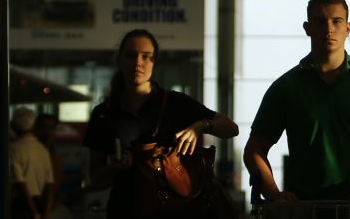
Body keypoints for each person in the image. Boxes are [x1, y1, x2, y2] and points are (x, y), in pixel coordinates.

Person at [243, 0, 350, 203]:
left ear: (348, 28)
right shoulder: (286, 87)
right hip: (304, 210)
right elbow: (254, 150)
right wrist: (274, 194)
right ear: (307, 28)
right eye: (320, 21)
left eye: (337, 21)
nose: (329, 29)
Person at [83, 28, 239, 218]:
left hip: (173, 209)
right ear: (120, 59)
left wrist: (201, 126)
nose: (138, 63)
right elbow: (96, 177)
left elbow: (231, 128)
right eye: (131, 55)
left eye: (146, 56)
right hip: (125, 209)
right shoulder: (104, 113)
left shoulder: (174, 103)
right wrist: (116, 168)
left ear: (154, 62)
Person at [10, 106, 55, 219]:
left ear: (13, 126)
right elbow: (50, 185)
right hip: (40, 203)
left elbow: (21, 184)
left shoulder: (13, 149)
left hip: (20, 206)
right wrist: (46, 213)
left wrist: (34, 213)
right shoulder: (43, 150)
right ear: (34, 126)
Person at [33, 113, 71, 219]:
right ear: (35, 129)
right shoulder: (32, 155)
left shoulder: (55, 156)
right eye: (43, 127)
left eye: (51, 127)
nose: (47, 132)